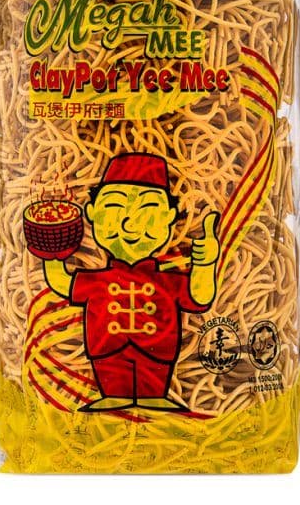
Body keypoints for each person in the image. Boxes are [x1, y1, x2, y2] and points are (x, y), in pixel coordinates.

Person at [42, 152, 219, 411]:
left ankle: (153, 396)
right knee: (111, 376)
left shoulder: (165, 279)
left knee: (154, 379)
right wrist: (51, 253)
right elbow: (63, 283)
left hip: (158, 351)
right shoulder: (100, 280)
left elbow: (199, 297)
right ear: (91, 212)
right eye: (114, 208)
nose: (130, 223)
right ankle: (114, 395)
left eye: (149, 211)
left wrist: (206, 264)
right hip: (107, 350)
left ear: (170, 215)